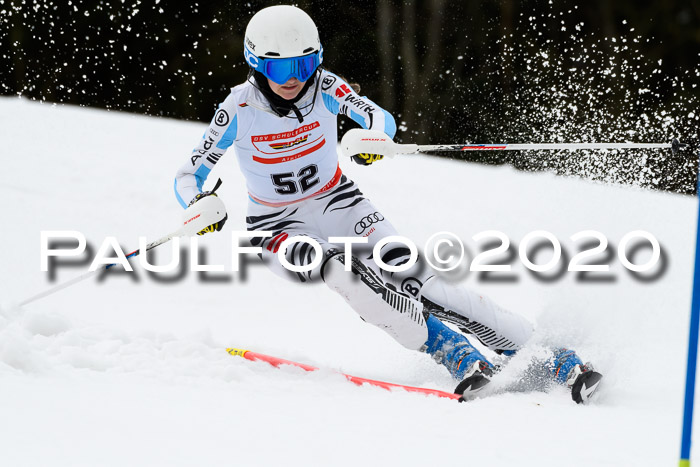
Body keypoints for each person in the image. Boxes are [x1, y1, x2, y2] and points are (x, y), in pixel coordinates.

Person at [174, 5, 602, 403]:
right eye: (279, 67)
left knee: (416, 277)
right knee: (338, 271)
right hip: (277, 227)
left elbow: (378, 118)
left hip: (340, 203)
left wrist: (373, 140)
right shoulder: (238, 107)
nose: (293, 78)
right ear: (256, 64)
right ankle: (450, 349)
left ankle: (550, 355)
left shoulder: (325, 86)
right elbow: (188, 174)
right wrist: (199, 203)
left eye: (303, 64)